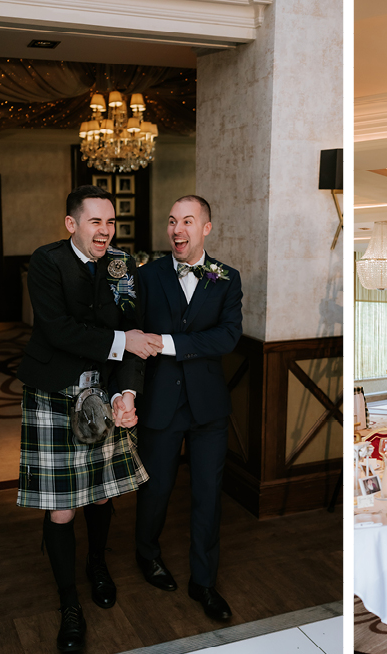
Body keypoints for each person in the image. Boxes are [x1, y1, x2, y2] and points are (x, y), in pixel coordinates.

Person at [17, 185, 164, 653]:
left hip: (104, 391)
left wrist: (126, 391)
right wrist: (124, 342)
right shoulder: (46, 261)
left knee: (101, 496)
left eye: (110, 222)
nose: (105, 231)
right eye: (95, 222)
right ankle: (69, 604)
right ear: (72, 224)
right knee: (63, 507)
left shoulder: (121, 265)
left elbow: (134, 328)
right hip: (55, 392)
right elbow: (58, 329)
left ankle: (96, 564)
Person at [135, 195, 243, 622]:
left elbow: (227, 337)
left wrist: (170, 344)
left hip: (208, 409)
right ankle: (147, 554)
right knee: (155, 490)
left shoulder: (225, 278)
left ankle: (205, 581)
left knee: (207, 497)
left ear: (206, 229)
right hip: (160, 403)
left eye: (187, 222)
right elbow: (135, 336)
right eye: (171, 221)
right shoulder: (148, 276)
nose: (177, 230)